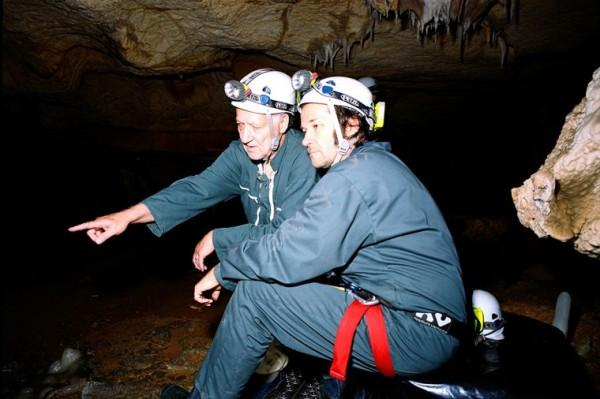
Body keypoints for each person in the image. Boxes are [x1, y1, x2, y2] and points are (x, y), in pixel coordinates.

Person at [162, 74, 466, 399]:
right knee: (285, 284)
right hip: (419, 322)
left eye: (317, 126)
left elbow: (290, 251)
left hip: (412, 333)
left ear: (349, 125)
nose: (306, 139)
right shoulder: (377, 164)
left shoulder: (353, 178)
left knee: (254, 297)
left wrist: (224, 270)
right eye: (304, 129)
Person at [68, 68, 318, 273]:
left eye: (254, 125)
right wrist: (126, 216)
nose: (245, 136)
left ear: (283, 122)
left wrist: (218, 240)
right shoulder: (240, 155)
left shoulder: (304, 158)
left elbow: (286, 235)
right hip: (265, 260)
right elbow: (196, 190)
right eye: (240, 124)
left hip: (308, 267)